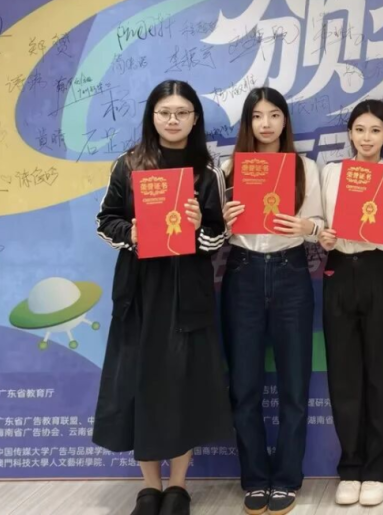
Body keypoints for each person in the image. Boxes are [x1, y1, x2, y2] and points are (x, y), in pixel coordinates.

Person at [94, 80, 231, 515]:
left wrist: (199, 224)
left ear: (195, 118)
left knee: (182, 384)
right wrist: (131, 232)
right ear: (152, 116)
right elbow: (105, 220)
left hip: (186, 289)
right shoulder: (129, 164)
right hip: (139, 288)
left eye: (182, 112)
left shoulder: (208, 172)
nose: (173, 120)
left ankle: (178, 486)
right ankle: (149, 488)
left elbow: (218, 239)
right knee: (140, 383)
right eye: (164, 112)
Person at [220, 87, 323, 515]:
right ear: (248, 122)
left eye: (274, 115)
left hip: (290, 272)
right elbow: (211, 234)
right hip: (242, 272)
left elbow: (321, 225)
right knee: (244, 386)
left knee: (293, 386)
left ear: (285, 121)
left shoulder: (304, 167)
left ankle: (286, 478)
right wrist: (223, 221)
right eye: (258, 116)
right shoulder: (228, 169)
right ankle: (254, 477)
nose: (266, 124)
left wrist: (306, 226)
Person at [318, 100, 383, 508]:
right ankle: (350, 467)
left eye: (375, 130)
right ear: (350, 133)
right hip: (339, 269)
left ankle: (376, 470)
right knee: (344, 373)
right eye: (359, 129)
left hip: (378, 270)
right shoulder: (331, 173)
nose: (367, 138)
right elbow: (321, 225)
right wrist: (323, 236)